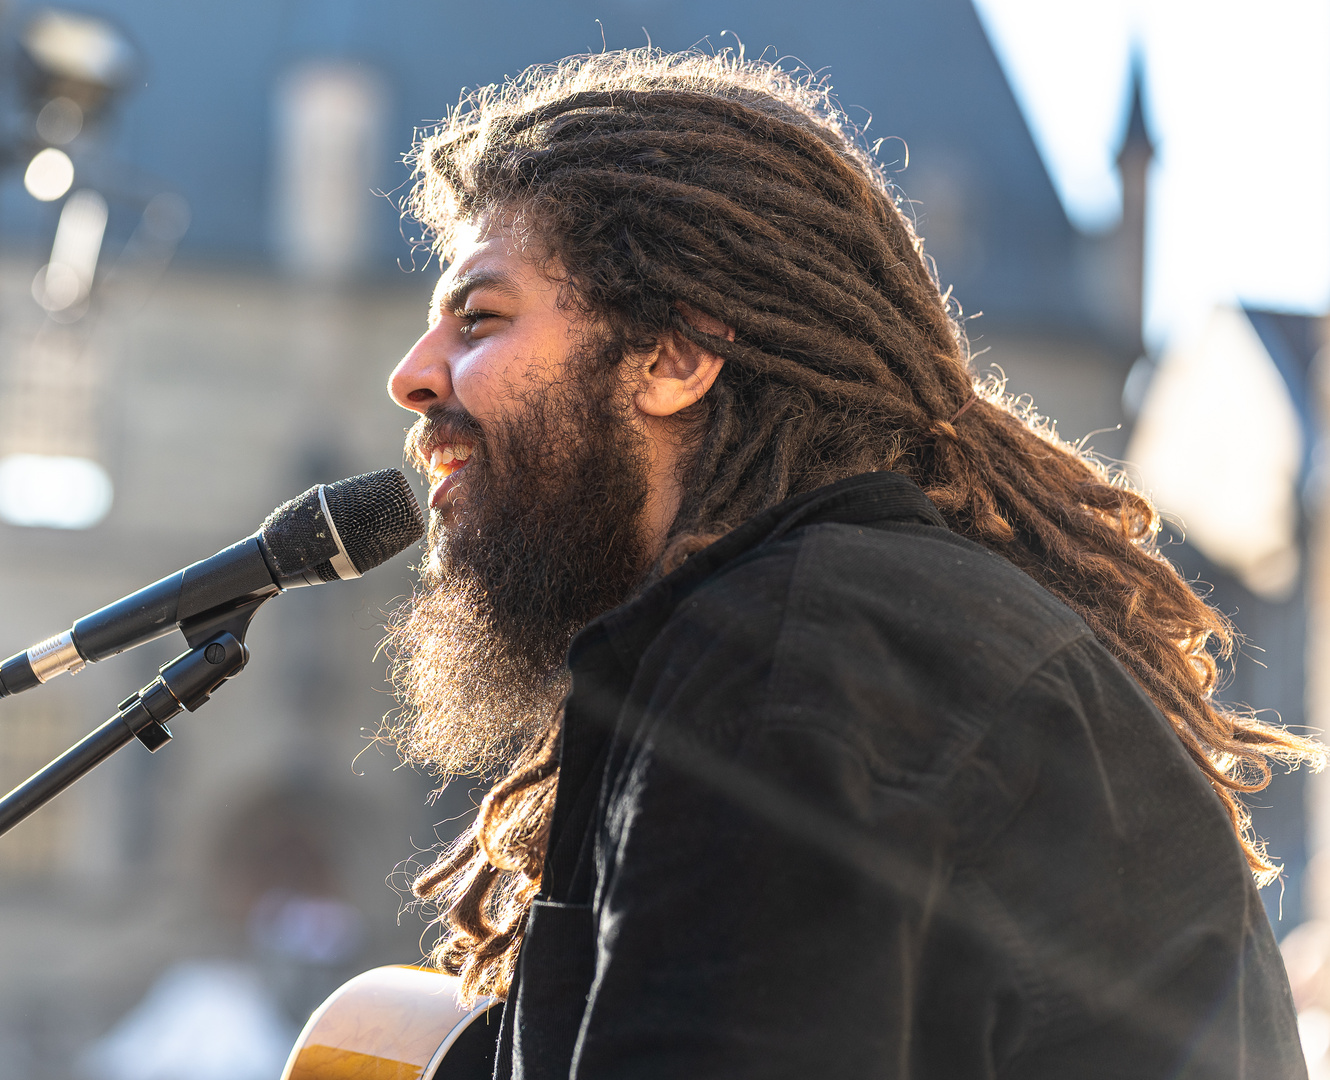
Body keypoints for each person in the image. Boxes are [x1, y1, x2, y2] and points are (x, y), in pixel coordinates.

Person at [377, 48, 1317, 1079]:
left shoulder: (790, 654)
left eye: (479, 318)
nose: (412, 377)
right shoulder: (844, 628)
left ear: (673, 356)